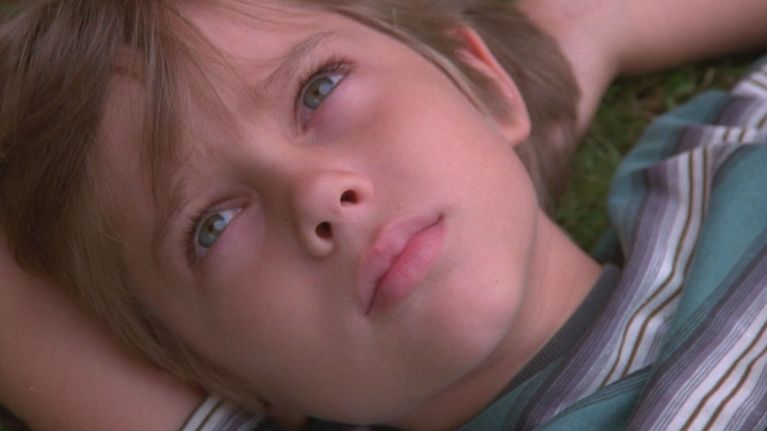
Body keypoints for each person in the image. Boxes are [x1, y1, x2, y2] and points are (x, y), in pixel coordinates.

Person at [0, 0, 765, 430]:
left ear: (482, 82)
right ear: (215, 371)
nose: (315, 193)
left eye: (318, 89)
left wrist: (563, 39)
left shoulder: (719, 169)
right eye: (212, 225)